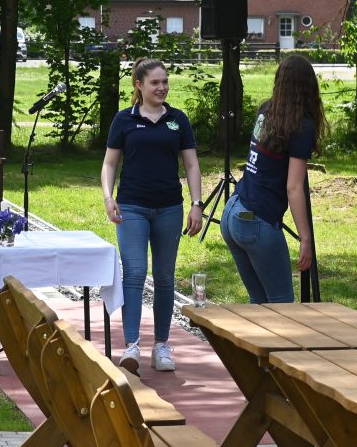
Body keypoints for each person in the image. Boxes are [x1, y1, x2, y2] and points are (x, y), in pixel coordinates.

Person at [101, 58, 202, 375]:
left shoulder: (177, 120)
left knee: (164, 276)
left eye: (165, 82)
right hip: (132, 207)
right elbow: (109, 164)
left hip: (169, 208)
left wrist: (196, 203)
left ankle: (161, 345)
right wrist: (108, 197)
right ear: (139, 85)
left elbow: (191, 164)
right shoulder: (124, 120)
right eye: (155, 82)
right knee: (133, 272)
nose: (162, 88)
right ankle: (131, 346)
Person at [220, 54, 327, 303]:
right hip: (256, 220)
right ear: (309, 87)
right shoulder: (301, 126)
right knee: (282, 307)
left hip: (233, 212)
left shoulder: (266, 110)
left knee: (260, 305)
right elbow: (294, 188)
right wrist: (306, 238)